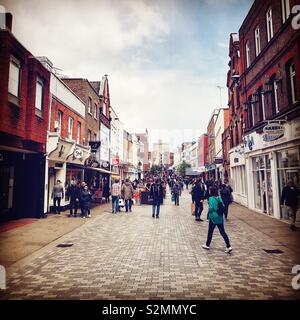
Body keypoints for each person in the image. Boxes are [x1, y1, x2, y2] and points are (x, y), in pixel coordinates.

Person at [202, 187, 232, 254]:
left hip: (213, 217)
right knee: (223, 232)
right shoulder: (219, 198)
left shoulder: (211, 198)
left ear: (211, 192)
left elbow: (211, 208)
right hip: (220, 217)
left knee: (210, 232)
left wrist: (210, 213)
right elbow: (223, 206)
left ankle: (207, 244)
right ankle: (228, 246)